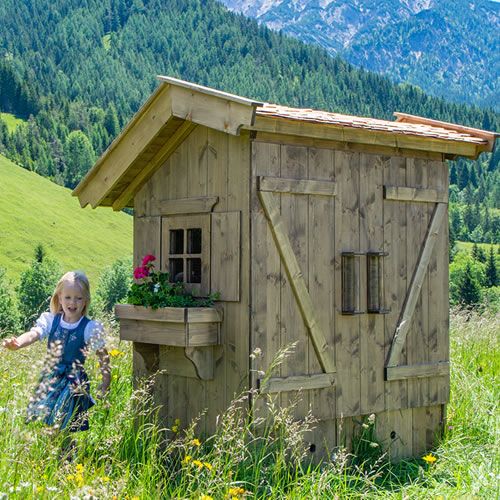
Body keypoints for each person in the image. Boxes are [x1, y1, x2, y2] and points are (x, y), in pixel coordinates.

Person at [2, 271, 110, 435]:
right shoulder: (50, 320)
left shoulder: (89, 328)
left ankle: (65, 454)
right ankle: (62, 454)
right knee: (50, 424)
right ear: (59, 298)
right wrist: (18, 343)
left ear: (86, 300)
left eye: (78, 298)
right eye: (67, 297)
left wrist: (105, 381)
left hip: (73, 383)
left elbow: (103, 356)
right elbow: (34, 334)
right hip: (51, 378)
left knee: (62, 424)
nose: (72, 302)